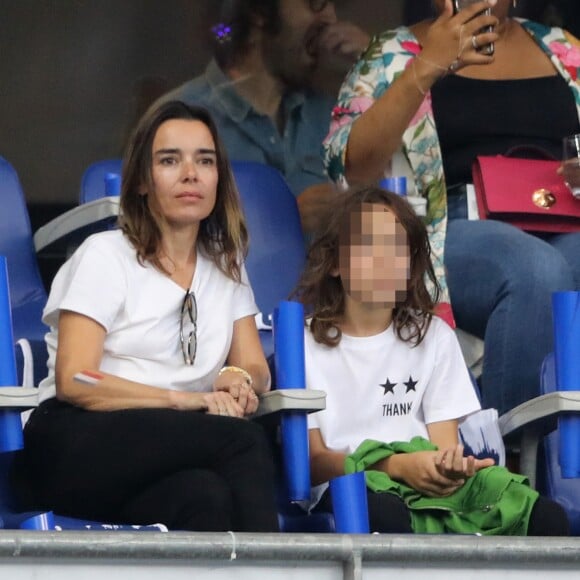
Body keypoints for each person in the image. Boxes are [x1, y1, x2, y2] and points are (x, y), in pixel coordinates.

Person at [12, 100, 279, 533]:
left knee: (204, 497)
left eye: (205, 161)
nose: (190, 173)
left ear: (218, 179)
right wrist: (183, 399)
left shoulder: (225, 263)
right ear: (140, 181)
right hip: (75, 441)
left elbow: (252, 364)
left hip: (164, 452)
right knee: (244, 442)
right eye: (170, 160)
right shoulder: (105, 256)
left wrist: (239, 378)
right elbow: (76, 378)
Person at [322, 0, 580, 414]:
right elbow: (351, 166)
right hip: (451, 222)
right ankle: (517, 452)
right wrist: (428, 66)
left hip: (564, 213)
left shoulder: (561, 48)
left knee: (555, 262)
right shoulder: (394, 52)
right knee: (535, 269)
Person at [296, 185, 569, 535]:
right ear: (334, 262)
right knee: (385, 512)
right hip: (353, 484)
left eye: (397, 248)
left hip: (424, 482)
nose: (384, 259)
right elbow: (314, 463)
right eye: (368, 245)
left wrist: (450, 466)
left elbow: (442, 447)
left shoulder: (434, 335)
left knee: (546, 518)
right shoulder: (302, 344)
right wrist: (395, 466)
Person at [158, 0, 370, 233]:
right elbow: (159, 238)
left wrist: (375, 65)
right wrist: (282, 221)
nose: (331, 19)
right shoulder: (179, 120)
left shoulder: (328, 115)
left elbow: (399, 177)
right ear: (260, 11)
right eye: (315, 3)